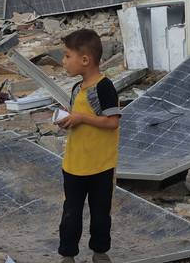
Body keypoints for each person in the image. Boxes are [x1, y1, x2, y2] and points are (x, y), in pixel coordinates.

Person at [54, 29, 121, 263]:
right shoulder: (76, 89)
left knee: (100, 214)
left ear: (85, 60)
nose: (63, 61)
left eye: (66, 56)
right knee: (71, 214)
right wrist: (69, 121)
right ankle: (68, 254)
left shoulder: (103, 88)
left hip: (100, 165)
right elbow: (78, 118)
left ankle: (100, 252)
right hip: (74, 164)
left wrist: (81, 118)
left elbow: (112, 122)